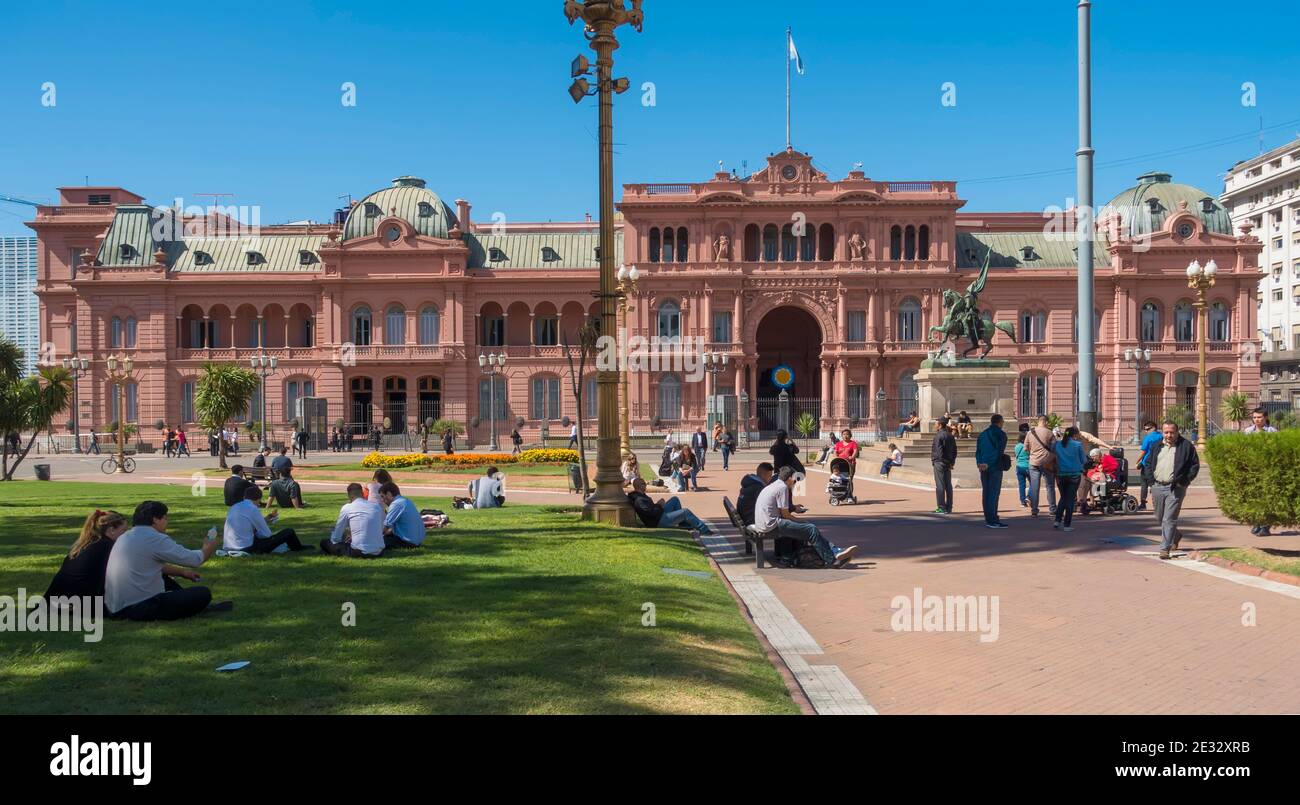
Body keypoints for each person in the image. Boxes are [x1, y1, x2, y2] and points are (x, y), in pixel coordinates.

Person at [106, 501, 222, 621]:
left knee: (167, 581)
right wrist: (208, 547)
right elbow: (195, 559)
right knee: (203, 593)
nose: (167, 522)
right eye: (165, 518)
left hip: (115, 607)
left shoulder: (126, 536)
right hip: (137, 608)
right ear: (155, 519)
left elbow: (148, 565)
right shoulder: (154, 538)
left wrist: (182, 572)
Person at [754, 466, 856, 568]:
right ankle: (833, 560)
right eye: (795, 480)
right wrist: (801, 521)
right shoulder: (783, 488)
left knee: (806, 529)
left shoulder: (773, 485)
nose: (795, 483)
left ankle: (835, 551)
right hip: (771, 526)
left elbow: (783, 513)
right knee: (811, 529)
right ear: (790, 478)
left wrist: (799, 521)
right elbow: (786, 515)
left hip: (764, 524)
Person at [1142, 421, 1200, 559]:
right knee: (1160, 517)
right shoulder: (1157, 446)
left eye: (1172, 432)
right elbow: (1149, 463)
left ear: (1177, 432)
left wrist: (1184, 482)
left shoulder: (1186, 446)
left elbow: (1194, 465)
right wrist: (1151, 481)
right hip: (1157, 486)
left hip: (1175, 487)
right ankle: (1176, 535)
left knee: (1169, 519)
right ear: (1162, 432)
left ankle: (1164, 548)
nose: (1169, 435)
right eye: (1166, 432)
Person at [45, 510, 128, 599]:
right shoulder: (107, 546)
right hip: (81, 604)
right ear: (111, 530)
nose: (126, 534)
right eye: (123, 530)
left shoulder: (84, 544)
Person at [224, 485, 308, 553]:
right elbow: (266, 534)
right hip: (246, 547)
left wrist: (265, 520)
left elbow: (245, 525)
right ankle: (298, 548)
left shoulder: (235, 506)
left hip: (229, 545)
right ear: (258, 499)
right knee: (289, 532)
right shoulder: (252, 508)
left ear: (244, 497)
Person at [626, 477, 712, 534]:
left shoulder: (641, 496)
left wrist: (658, 505)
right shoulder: (639, 499)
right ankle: (704, 530)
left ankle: (683, 524)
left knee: (675, 499)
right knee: (685, 512)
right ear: (638, 486)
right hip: (657, 522)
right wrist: (659, 505)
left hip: (659, 516)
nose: (645, 485)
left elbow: (651, 509)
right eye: (643, 484)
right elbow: (651, 513)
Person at [321, 483, 385, 558]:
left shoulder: (347, 508)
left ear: (349, 496)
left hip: (359, 551)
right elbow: (380, 528)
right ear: (362, 493)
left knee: (324, 542)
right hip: (379, 551)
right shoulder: (376, 507)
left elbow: (336, 537)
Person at [1243, 407, 1279, 535]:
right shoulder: (1247, 431)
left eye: (1259, 417)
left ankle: (1265, 525)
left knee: (1266, 497)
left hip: (1268, 468)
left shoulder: (1272, 432)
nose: (1257, 420)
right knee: (1254, 497)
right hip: (1252, 468)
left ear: (1266, 418)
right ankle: (1257, 522)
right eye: (1254, 417)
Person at [975, 414, 1009, 528]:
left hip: (983, 466)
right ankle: (993, 519)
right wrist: (988, 463)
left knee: (986, 492)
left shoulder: (983, 434)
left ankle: (988, 518)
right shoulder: (1001, 434)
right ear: (1000, 422)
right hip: (994, 467)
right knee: (994, 493)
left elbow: (978, 451)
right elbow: (999, 452)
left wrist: (980, 463)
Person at [1051, 427, 1086, 532]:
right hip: (1074, 474)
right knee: (1070, 499)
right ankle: (1067, 524)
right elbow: (1083, 460)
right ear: (1074, 435)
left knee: (1063, 497)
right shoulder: (1077, 445)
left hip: (1061, 474)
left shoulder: (1057, 444)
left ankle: (1057, 520)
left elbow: (1052, 455)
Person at [1026, 415, 1058, 518]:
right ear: (1046, 422)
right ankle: (1052, 509)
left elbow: (1025, 448)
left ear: (1038, 421)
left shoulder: (1030, 433)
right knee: (1050, 486)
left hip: (1034, 462)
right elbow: (1054, 448)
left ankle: (1034, 510)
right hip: (1047, 463)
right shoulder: (1049, 433)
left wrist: (1034, 453)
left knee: (1034, 487)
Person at [379, 482, 425, 548]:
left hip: (407, 542)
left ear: (389, 494)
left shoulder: (396, 504)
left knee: (376, 543)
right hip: (416, 541)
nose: (382, 500)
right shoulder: (406, 501)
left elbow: (385, 527)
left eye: (382, 496)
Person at [931, 416, 957, 514]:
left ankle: (941, 507)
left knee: (940, 485)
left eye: (936, 424)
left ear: (940, 425)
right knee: (948, 485)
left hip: (940, 462)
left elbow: (938, 451)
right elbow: (955, 450)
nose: (934, 426)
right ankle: (949, 506)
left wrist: (938, 460)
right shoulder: (950, 435)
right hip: (948, 463)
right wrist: (951, 462)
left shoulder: (938, 436)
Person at [1134, 421, 1161, 512]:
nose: (1146, 431)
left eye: (1147, 429)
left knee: (1144, 484)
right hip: (1158, 463)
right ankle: (1157, 503)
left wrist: (1137, 461)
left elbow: (1143, 451)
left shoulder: (1148, 438)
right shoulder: (1161, 436)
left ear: (1153, 428)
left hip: (1147, 464)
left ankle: (1143, 503)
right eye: (1145, 430)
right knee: (1156, 483)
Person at [1014, 432, 1032, 508]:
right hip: (1027, 466)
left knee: (1021, 485)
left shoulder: (1017, 446)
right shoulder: (1027, 446)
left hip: (1019, 466)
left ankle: (1022, 501)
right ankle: (1029, 496)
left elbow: (1016, 455)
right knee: (1033, 483)